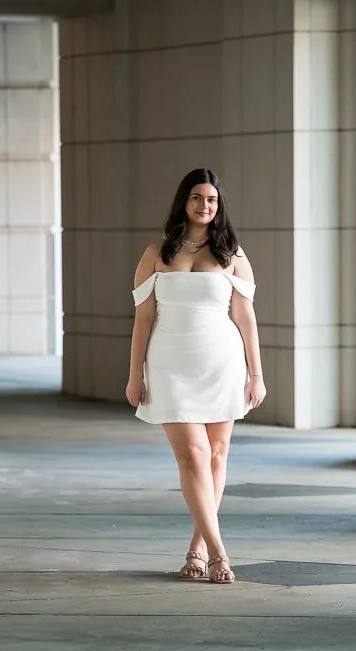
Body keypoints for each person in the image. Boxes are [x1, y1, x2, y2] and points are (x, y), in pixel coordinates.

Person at [125, 168, 266, 585]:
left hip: (221, 361)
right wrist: (135, 375)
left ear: (218, 206)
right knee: (193, 454)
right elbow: (143, 318)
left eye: (212, 200)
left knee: (217, 454)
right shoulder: (157, 252)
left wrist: (256, 374)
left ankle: (198, 548)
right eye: (197, 198)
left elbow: (246, 318)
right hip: (169, 364)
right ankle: (221, 551)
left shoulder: (233, 254)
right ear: (183, 202)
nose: (205, 206)